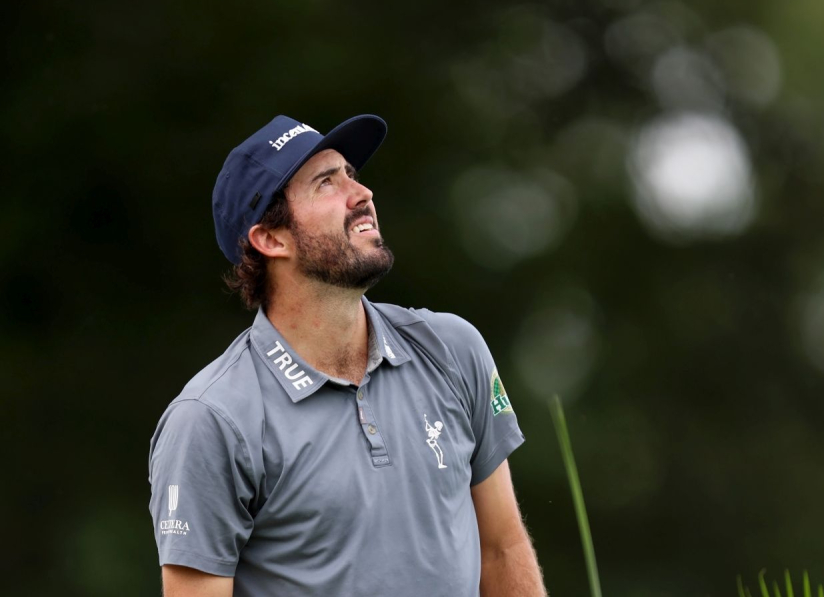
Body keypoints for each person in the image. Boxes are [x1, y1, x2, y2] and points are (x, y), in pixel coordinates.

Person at [148, 114, 546, 597]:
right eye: (325, 183)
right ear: (271, 239)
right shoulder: (211, 420)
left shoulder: (453, 349)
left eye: (350, 175)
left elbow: (501, 549)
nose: (362, 195)